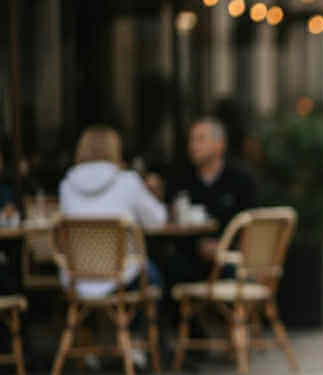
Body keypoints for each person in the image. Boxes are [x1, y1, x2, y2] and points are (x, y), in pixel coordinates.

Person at [58, 125, 166, 298]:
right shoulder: (128, 181)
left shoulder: (66, 185)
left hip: (76, 279)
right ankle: (135, 325)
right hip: (123, 277)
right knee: (156, 275)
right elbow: (158, 221)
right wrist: (155, 195)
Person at [165, 117, 257, 281]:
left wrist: (224, 247)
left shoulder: (241, 180)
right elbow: (170, 220)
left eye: (200, 139)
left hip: (230, 258)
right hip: (190, 257)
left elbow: (251, 225)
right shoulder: (181, 179)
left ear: (220, 144)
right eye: (191, 140)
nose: (193, 146)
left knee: (237, 272)